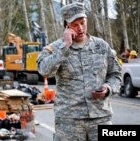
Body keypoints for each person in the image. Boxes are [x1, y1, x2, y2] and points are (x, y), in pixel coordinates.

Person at [37, 2, 122, 141]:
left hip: (100, 117)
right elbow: (45, 71)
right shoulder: (55, 48)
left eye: (83, 22)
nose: (80, 28)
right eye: (75, 25)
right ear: (67, 26)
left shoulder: (102, 46)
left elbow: (115, 75)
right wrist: (65, 47)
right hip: (69, 121)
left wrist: (108, 88)